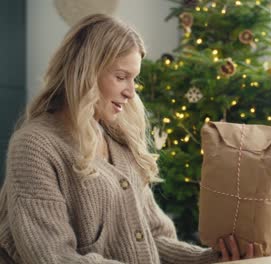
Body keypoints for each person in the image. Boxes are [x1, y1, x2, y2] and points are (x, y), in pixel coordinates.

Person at [0, 14, 253, 263]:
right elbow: (53, 256)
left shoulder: (120, 140)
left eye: (134, 79)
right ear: (84, 72)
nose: (131, 92)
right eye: (121, 77)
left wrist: (208, 259)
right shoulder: (34, 147)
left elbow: (152, 237)